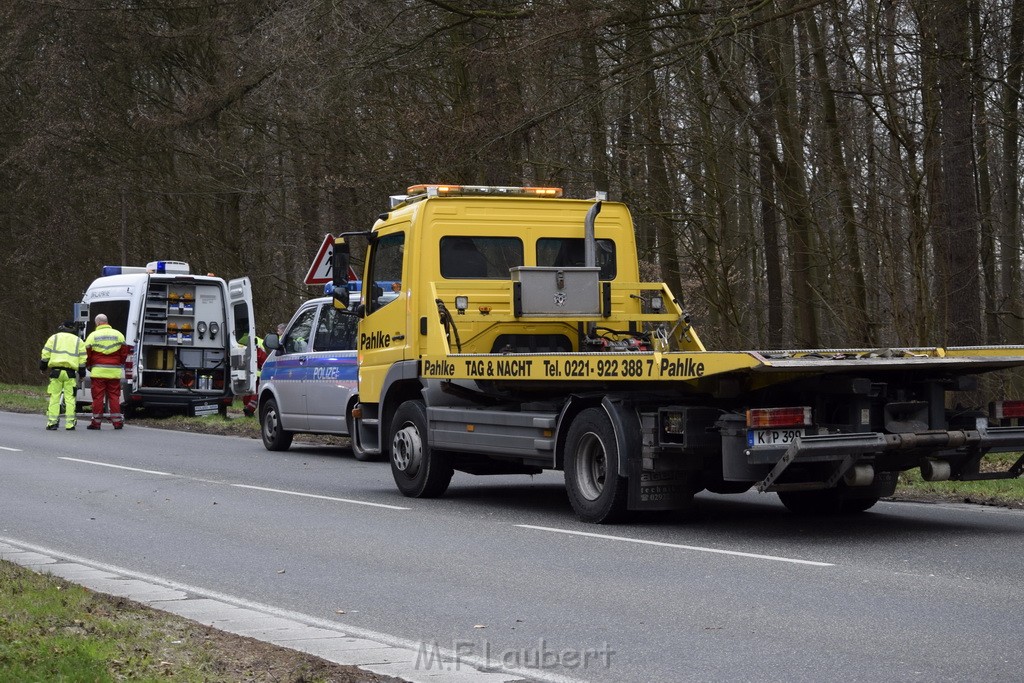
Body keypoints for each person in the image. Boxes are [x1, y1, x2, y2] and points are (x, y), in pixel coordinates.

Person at [39, 320, 87, 430]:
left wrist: (43, 367)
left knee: (54, 397)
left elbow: (45, 354)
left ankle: (52, 422)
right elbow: (82, 360)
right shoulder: (78, 341)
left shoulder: (54, 338)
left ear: (63, 327)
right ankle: (70, 423)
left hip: (56, 372)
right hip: (70, 373)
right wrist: (82, 373)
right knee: (70, 398)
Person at [84, 313, 128, 430]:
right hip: (114, 372)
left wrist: (89, 366)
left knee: (98, 397)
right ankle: (117, 422)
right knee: (114, 397)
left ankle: (96, 423)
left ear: (97, 323)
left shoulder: (92, 336)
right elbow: (124, 353)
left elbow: (87, 354)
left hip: (98, 372)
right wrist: (119, 363)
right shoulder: (119, 335)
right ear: (107, 322)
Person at [238, 332, 267, 417]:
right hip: (257, 372)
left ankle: (247, 407)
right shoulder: (259, 341)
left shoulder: (239, 340)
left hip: (244, 372)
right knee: (256, 392)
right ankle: (249, 409)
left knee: (247, 391)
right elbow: (263, 358)